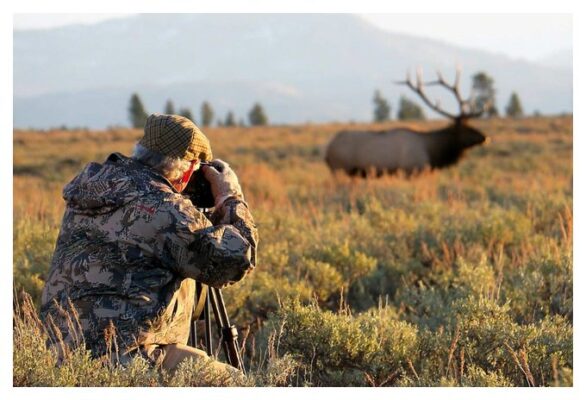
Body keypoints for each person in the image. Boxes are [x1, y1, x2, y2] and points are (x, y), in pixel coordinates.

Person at [40, 113, 258, 373]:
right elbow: (237, 259)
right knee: (232, 382)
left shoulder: (96, 187)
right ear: (188, 169)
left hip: (56, 354)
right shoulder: (166, 209)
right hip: (125, 359)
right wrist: (229, 197)